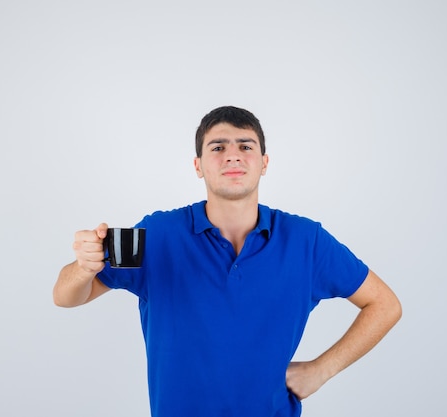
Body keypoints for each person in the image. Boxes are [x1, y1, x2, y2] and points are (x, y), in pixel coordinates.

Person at [53, 106, 402, 417]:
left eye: (245, 146)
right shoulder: (158, 234)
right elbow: (67, 296)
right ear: (198, 166)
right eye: (218, 147)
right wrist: (84, 268)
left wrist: (322, 369)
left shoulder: (306, 240)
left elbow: (384, 304)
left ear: (264, 163)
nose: (232, 156)